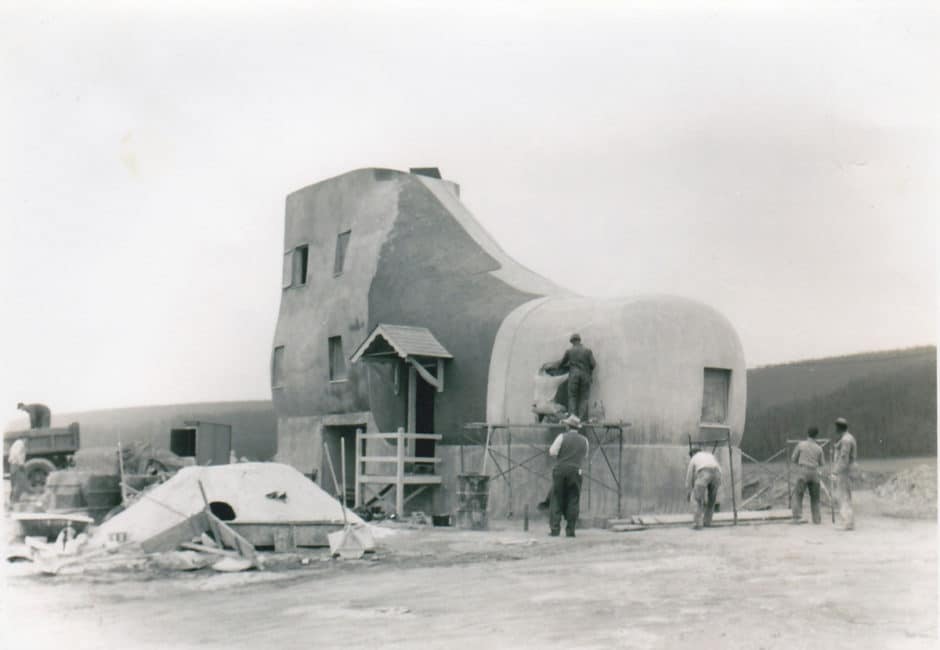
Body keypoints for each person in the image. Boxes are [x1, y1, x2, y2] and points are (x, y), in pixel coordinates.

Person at [548, 414, 589, 537]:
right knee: (573, 499)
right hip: (576, 471)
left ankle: (555, 529)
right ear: (578, 428)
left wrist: (563, 456)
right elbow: (585, 455)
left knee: (556, 498)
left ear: (567, 426)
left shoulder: (562, 437)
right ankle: (570, 530)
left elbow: (552, 452)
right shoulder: (584, 440)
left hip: (561, 470)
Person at [790, 427, 825, 524]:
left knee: (798, 495)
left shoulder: (801, 445)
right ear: (816, 435)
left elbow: (793, 458)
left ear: (807, 433)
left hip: (803, 471)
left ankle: (797, 517)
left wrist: (800, 463)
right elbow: (822, 463)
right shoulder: (819, 448)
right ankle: (817, 519)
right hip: (815, 472)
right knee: (815, 497)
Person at [558, 334, 596, 421]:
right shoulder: (588, 351)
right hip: (585, 376)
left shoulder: (569, 351)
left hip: (573, 376)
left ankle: (573, 420)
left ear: (572, 341)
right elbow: (593, 364)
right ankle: (581, 419)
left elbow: (561, 363)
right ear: (579, 340)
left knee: (572, 397)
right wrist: (587, 369)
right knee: (584, 398)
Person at [686, 446, 722, 529]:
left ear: (692, 454)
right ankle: (707, 522)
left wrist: (689, 490)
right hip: (717, 473)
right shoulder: (710, 455)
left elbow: (689, 475)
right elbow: (719, 468)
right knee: (711, 500)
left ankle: (697, 524)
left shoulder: (694, 458)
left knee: (696, 498)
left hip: (704, 473)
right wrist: (718, 483)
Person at [832, 417, 857, 530]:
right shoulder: (848, 438)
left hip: (844, 471)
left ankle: (847, 523)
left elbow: (843, 458)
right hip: (847, 470)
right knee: (846, 495)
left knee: (843, 496)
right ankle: (848, 522)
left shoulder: (846, 440)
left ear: (839, 428)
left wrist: (835, 471)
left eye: (836, 427)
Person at [7, 437, 27, 505]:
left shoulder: (15, 443)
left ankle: (12, 500)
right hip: (17, 465)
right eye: (26, 440)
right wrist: (21, 464)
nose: (27, 442)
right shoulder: (20, 444)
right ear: (24, 439)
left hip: (13, 464)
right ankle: (15, 500)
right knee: (19, 483)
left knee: (14, 483)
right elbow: (18, 454)